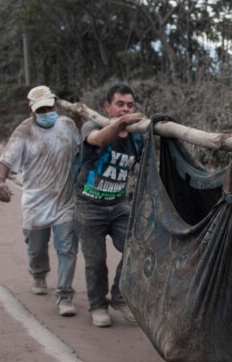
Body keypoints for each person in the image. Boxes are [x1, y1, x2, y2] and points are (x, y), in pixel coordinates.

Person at [0, 85, 80, 317]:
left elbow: (83, 150)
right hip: (35, 202)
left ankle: (64, 295)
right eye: (40, 109)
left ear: (55, 104)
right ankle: (39, 274)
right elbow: (6, 159)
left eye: (49, 107)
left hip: (65, 201)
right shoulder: (25, 130)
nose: (45, 112)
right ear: (32, 111)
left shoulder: (67, 125)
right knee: (37, 249)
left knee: (67, 249)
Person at [73, 83, 144, 327]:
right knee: (95, 261)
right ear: (107, 106)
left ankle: (120, 297)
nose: (125, 109)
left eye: (130, 105)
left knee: (137, 248)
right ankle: (98, 305)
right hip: (88, 207)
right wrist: (120, 124)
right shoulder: (92, 126)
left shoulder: (137, 137)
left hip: (118, 206)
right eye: (120, 104)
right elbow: (99, 139)